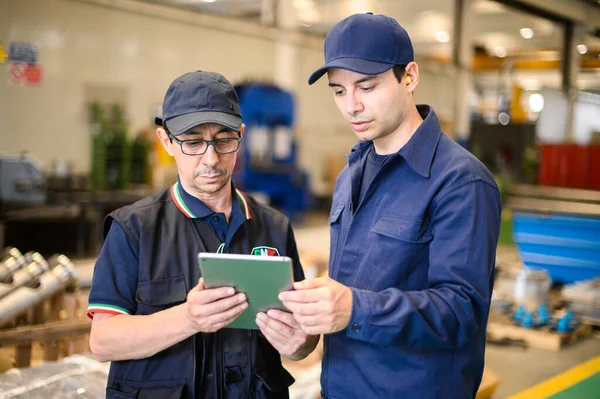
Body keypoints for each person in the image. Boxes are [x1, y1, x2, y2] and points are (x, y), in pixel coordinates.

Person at [279, 13, 502, 398]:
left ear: (410, 77)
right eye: (338, 91)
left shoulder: (461, 181)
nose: (351, 106)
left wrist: (355, 309)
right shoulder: (348, 177)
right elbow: (353, 283)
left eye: (366, 87)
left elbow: (462, 310)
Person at [88, 70, 318, 398]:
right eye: (193, 142)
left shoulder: (274, 227)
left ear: (241, 134)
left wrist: (300, 343)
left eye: (224, 140)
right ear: (166, 141)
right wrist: (188, 318)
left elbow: (300, 344)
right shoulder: (134, 229)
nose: (211, 159)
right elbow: (102, 342)